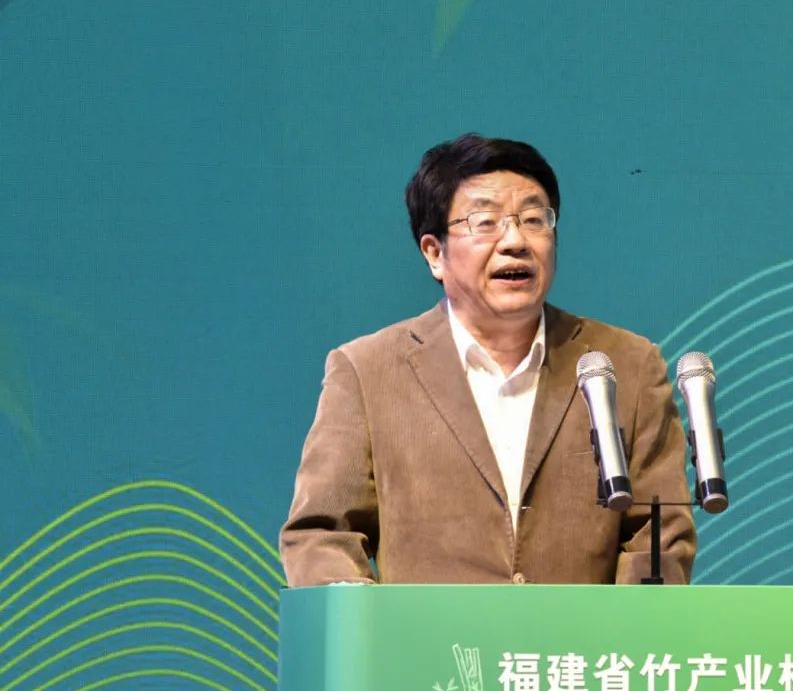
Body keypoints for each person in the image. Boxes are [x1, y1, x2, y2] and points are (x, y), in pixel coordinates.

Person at [280, 133, 696, 585]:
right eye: (485, 222)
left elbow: (658, 535)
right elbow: (322, 534)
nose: (515, 241)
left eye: (534, 219)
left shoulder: (624, 365)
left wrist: (624, 626)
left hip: (583, 635)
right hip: (427, 634)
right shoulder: (368, 371)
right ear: (434, 253)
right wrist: (369, 619)